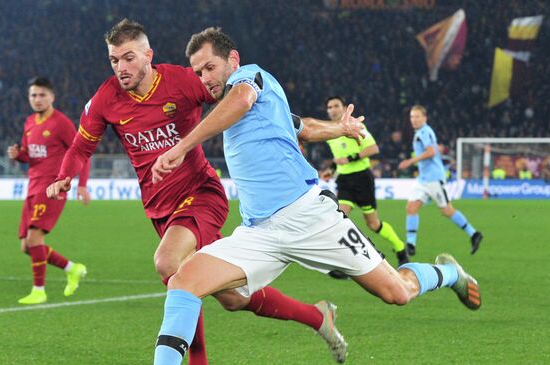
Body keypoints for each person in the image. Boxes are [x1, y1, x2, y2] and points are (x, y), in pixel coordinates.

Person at [150, 28, 482, 365]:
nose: (204, 78)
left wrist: (182, 146)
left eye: (209, 67)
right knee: (185, 280)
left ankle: (449, 273)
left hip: (312, 216)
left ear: (232, 60)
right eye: (198, 72)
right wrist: (338, 128)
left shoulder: (250, 78)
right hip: (259, 233)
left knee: (396, 292)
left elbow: (242, 99)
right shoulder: (258, 106)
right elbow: (302, 126)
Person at [46, 19, 362, 365]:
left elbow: (245, 102)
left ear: (148, 55)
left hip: (201, 194)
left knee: (169, 263)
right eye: (114, 60)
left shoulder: (183, 82)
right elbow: (80, 147)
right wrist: (65, 176)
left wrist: (330, 129)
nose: (121, 68)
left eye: (129, 58)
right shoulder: (107, 98)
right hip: (159, 207)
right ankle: (318, 317)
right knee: (232, 297)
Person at [7, 77, 91, 304]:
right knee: (27, 246)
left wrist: (81, 183)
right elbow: (29, 155)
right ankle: (72, 268)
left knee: (34, 238)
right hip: (32, 187)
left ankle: (39, 290)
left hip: (52, 187)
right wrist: (18, 156)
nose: (37, 99)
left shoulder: (61, 123)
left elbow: (82, 151)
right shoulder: (29, 122)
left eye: (42, 95)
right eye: (33, 95)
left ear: (52, 97)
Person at [305, 96, 409, 268]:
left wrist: (350, 158)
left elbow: (373, 148)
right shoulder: (329, 131)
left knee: (373, 224)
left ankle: (400, 248)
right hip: (344, 181)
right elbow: (338, 158)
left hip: (362, 179)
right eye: (329, 107)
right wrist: (331, 169)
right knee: (338, 218)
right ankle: (345, 262)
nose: (332, 109)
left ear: (344, 108)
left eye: (336, 106)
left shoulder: (354, 125)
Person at [399, 106, 483, 256]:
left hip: (434, 178)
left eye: (417, 116)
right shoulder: (422, 132)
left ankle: (474, 234)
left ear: (425, 118)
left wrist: (411, 161)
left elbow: (431, 152)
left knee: (446, 210)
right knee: (411, 207)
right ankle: (410, 244)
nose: (414, 120)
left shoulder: (424, 131)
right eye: (412, 117)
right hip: (423, 179)